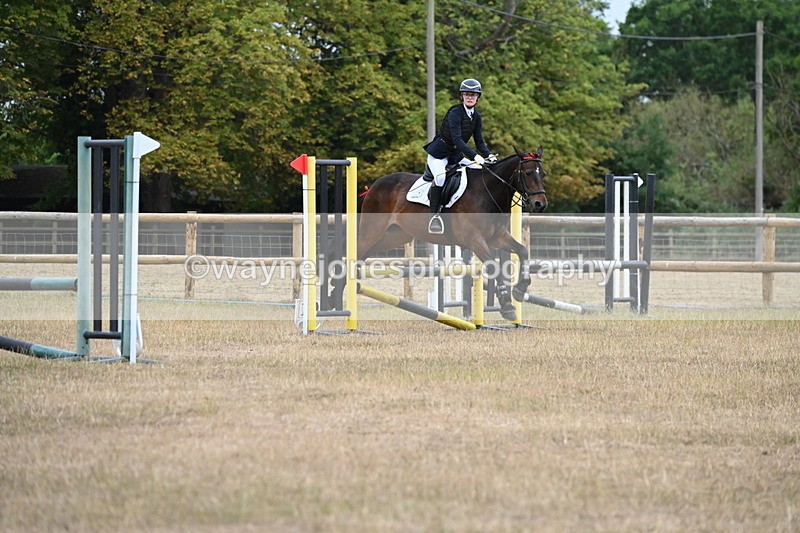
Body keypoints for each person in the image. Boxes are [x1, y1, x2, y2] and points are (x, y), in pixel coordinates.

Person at [423, 78, 496, 234]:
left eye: (473, 95)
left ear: (478, 97)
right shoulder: (455, 112)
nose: (470, 97)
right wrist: (475, 156)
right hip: (439, 155)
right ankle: (434, 216)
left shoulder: (476, 117)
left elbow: (479, 142)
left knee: (478, 170)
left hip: (455, 157)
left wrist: (489, 156)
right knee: (441, 178)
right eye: (467, 94)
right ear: (462, 96)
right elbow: (457, 140)